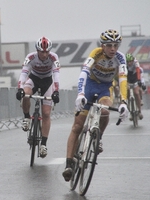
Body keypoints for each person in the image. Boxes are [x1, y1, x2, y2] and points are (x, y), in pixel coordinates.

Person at [62, 29, 129, 182]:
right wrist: (80, 94)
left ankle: (97, 138)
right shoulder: (96, 53)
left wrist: (124, 102)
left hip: (105, 88)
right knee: (77, 127)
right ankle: (69, 164)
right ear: (102, 45)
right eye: (109, 45)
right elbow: (84, 72)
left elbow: (123, 79)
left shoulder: (120, 58)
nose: (113, 48)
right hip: (89, 87)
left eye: (116, 45)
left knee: (105, 111)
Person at [16, 36, 60, 158]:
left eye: (47, 51)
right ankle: (26, 118)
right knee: (25, 94)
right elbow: (24, 73)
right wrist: (20, 88)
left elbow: (56, 75)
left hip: (47, 82)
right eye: (42, 51)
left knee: (46, 113)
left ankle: (44, 145)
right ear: (37, 50)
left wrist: (56, 91)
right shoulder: (30, 58)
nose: (45, 54)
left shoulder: (54, 58)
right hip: (34, 79)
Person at [126, 53, 146, 120]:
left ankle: (140, 111)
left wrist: (139, 81)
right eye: (128, 62)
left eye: (130, 61)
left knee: (136, 93)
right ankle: (130, 110)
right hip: (128, 78)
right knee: (127, 91)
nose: (129, 63)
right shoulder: (124, 63)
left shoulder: (136, 63)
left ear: (133, 60)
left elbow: (138, 71)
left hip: (135, 78)